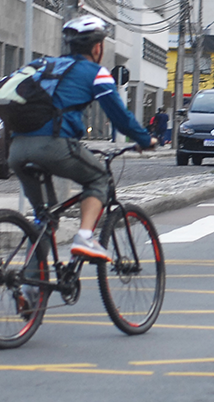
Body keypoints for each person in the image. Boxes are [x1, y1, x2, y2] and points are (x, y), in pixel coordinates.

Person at [8, 15, 156, 262]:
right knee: (98, 178)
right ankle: (85, 237)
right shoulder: (95, 72)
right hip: (53, 147)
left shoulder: (41, 66)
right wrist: (143, 139)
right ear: (98, 47)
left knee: (44, 219)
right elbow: (119, 116)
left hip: (16, 149)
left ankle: (31, 291)